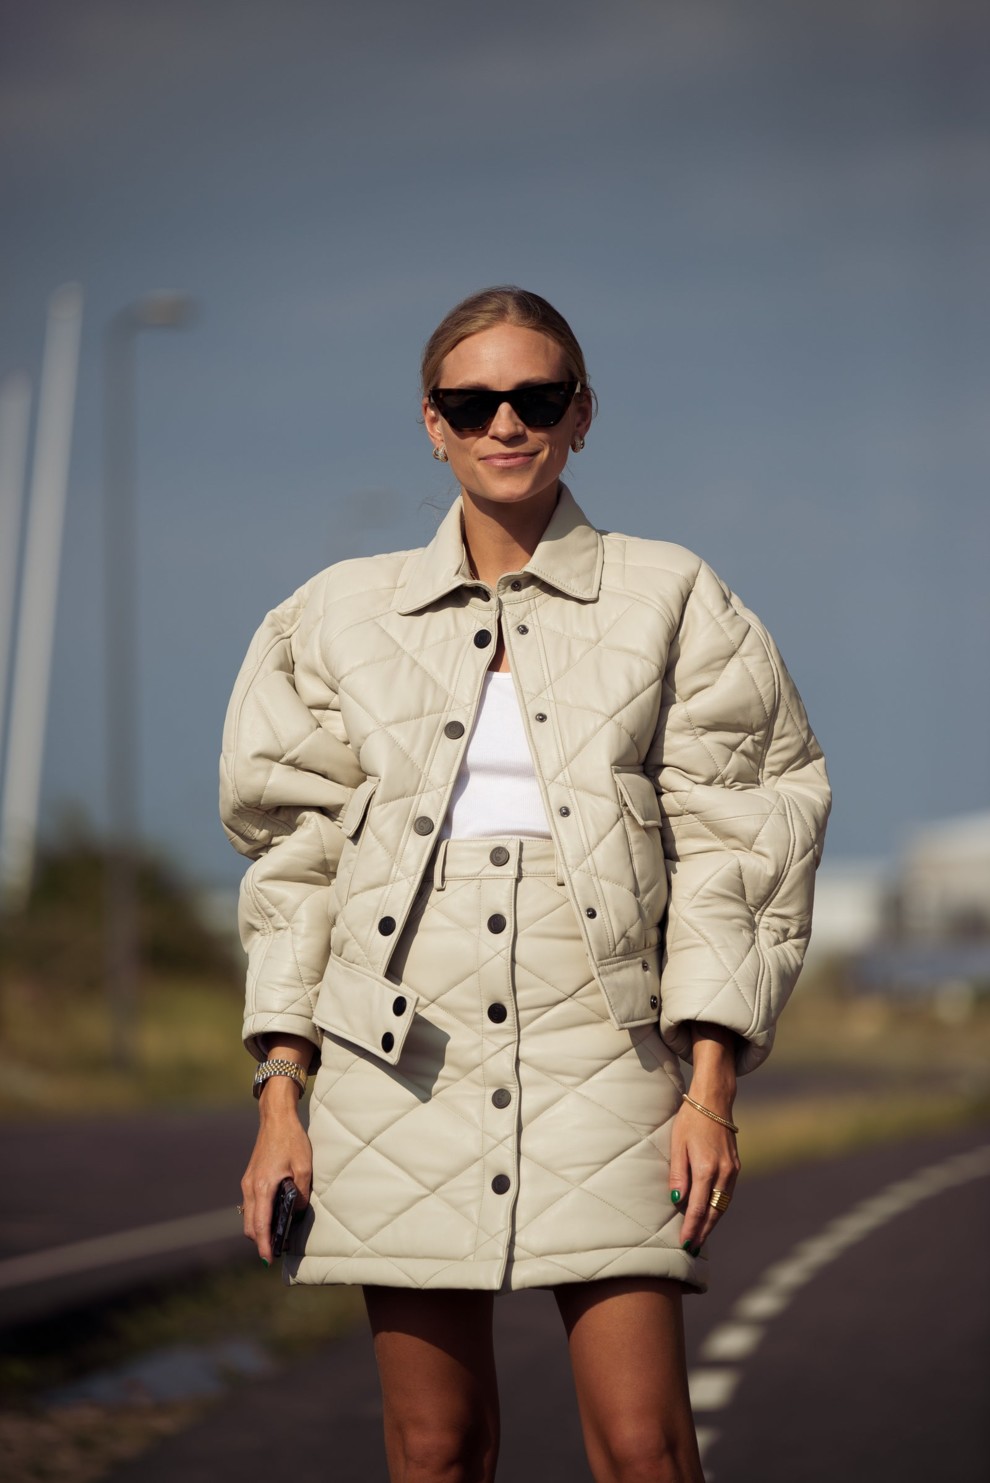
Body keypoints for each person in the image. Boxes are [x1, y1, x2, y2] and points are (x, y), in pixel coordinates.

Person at [220, 285, 830, 1483]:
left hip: (605, 1054)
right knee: (435, 1446)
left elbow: (742, 837)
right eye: (472, 402)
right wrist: (281, 1092)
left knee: (645, 1445)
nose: (506, 422)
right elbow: (296, 861)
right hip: (396, 1065)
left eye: (537, 397)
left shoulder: (672, 595)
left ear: (582, 414)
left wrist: (709, 1088)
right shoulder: (333, 615)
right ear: (432, 424)